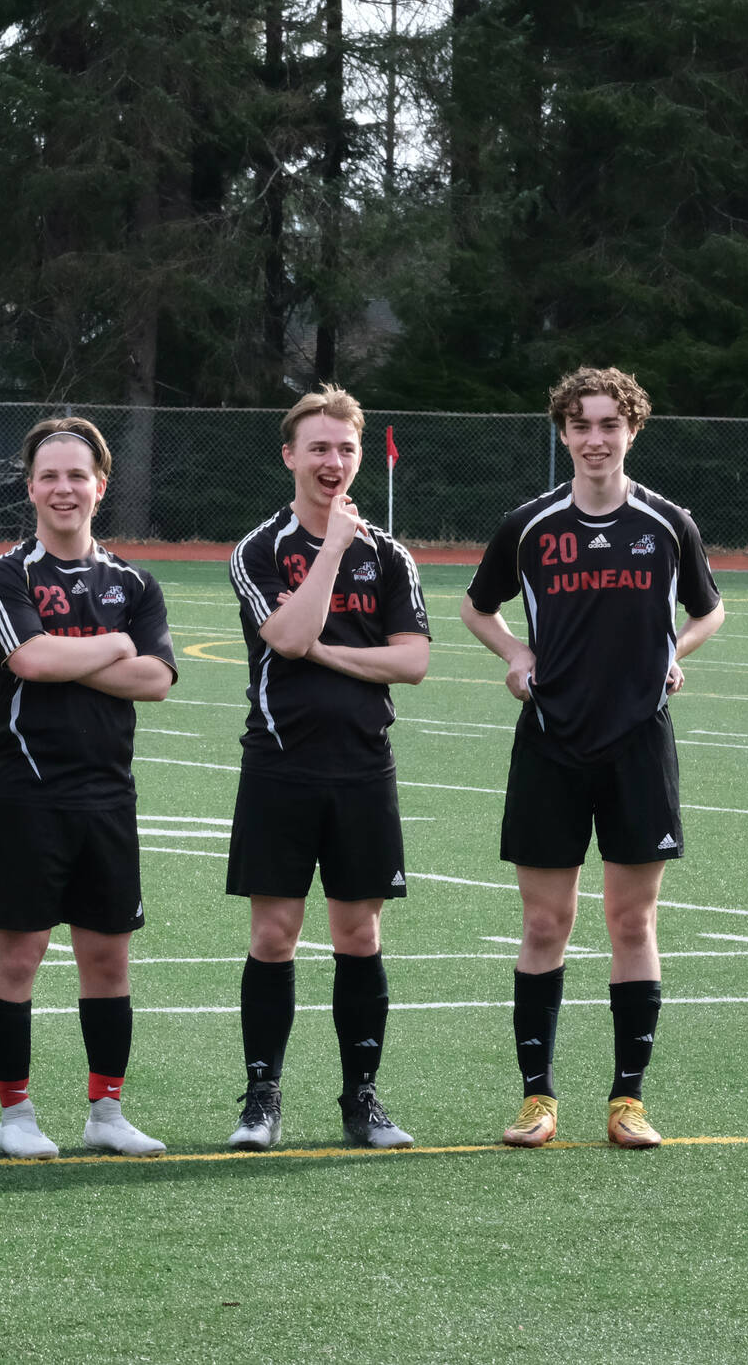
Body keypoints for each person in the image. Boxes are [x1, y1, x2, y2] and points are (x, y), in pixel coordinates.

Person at [462, 366, 723, 1151]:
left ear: (632, 430)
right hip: (551, 740)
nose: (596, 439)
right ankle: (537, 1098)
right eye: (581, 425)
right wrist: (516, 654)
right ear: (564, 433)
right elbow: (477, 607)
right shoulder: (530, 524)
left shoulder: (668, 523)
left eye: (610, 424)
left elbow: (709, 611)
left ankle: (627, 1101)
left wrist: (675, 651)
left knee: (631, 919)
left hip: (639, 741)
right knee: (546, 922)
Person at [223, 386, 430, 1152]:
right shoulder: (259, 549)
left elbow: (412, 662)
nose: (332, 461)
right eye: (318, 447)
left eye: (345, 448)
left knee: (358, 932)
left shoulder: (391, 554)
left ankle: (361, 1099)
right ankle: (262, 1099)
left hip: (363, 767)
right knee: (275, 933)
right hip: (280, 765)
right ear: (290, 455)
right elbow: (286, 636)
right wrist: (334, 548)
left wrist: (329, 653)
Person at [0, 417, 176, 1160]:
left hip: (109, 795)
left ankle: (106, 1111)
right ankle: (16, 1114)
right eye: (50, 476)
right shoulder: (7, 574)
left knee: (108, 962)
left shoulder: (134, 582)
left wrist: (75, 656)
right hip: (29, 790)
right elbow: (28, 661)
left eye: (77, 476)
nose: (64, 489)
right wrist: (115, 645)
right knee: (17, 959)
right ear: (30, 488)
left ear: (101, 484)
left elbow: (156, 679)